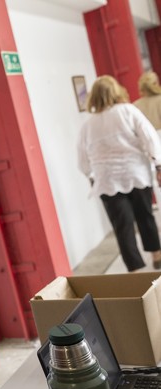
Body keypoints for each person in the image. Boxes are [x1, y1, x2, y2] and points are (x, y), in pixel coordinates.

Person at [78, 75, 161, 271]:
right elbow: (149, 138)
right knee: (145, 216)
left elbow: (82, 159)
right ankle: (157, 256)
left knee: (122, 227)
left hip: (107, 181)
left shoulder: (87, 125)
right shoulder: (128, 111)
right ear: (116, 91)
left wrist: (91, 176)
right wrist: (158, 164)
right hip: (137, 174)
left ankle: (135, 270)